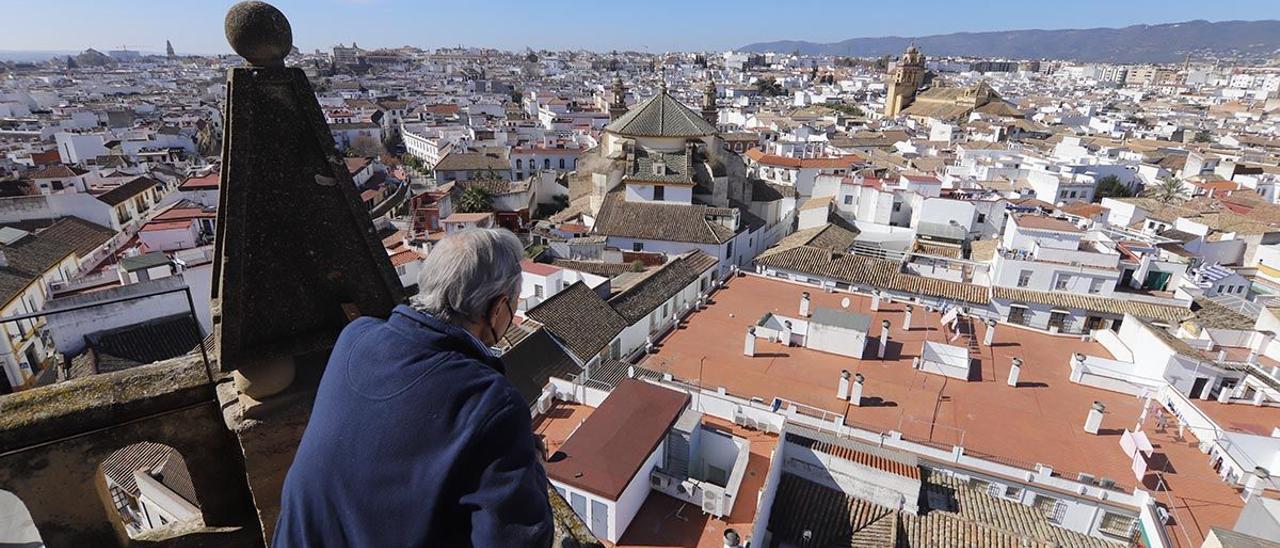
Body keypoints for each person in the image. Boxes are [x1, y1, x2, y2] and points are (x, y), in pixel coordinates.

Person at [274, 228, 553, 547]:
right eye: (514, 303)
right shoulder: (491, 402)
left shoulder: (356, 338)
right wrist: (535, 471)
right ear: (497, 308)